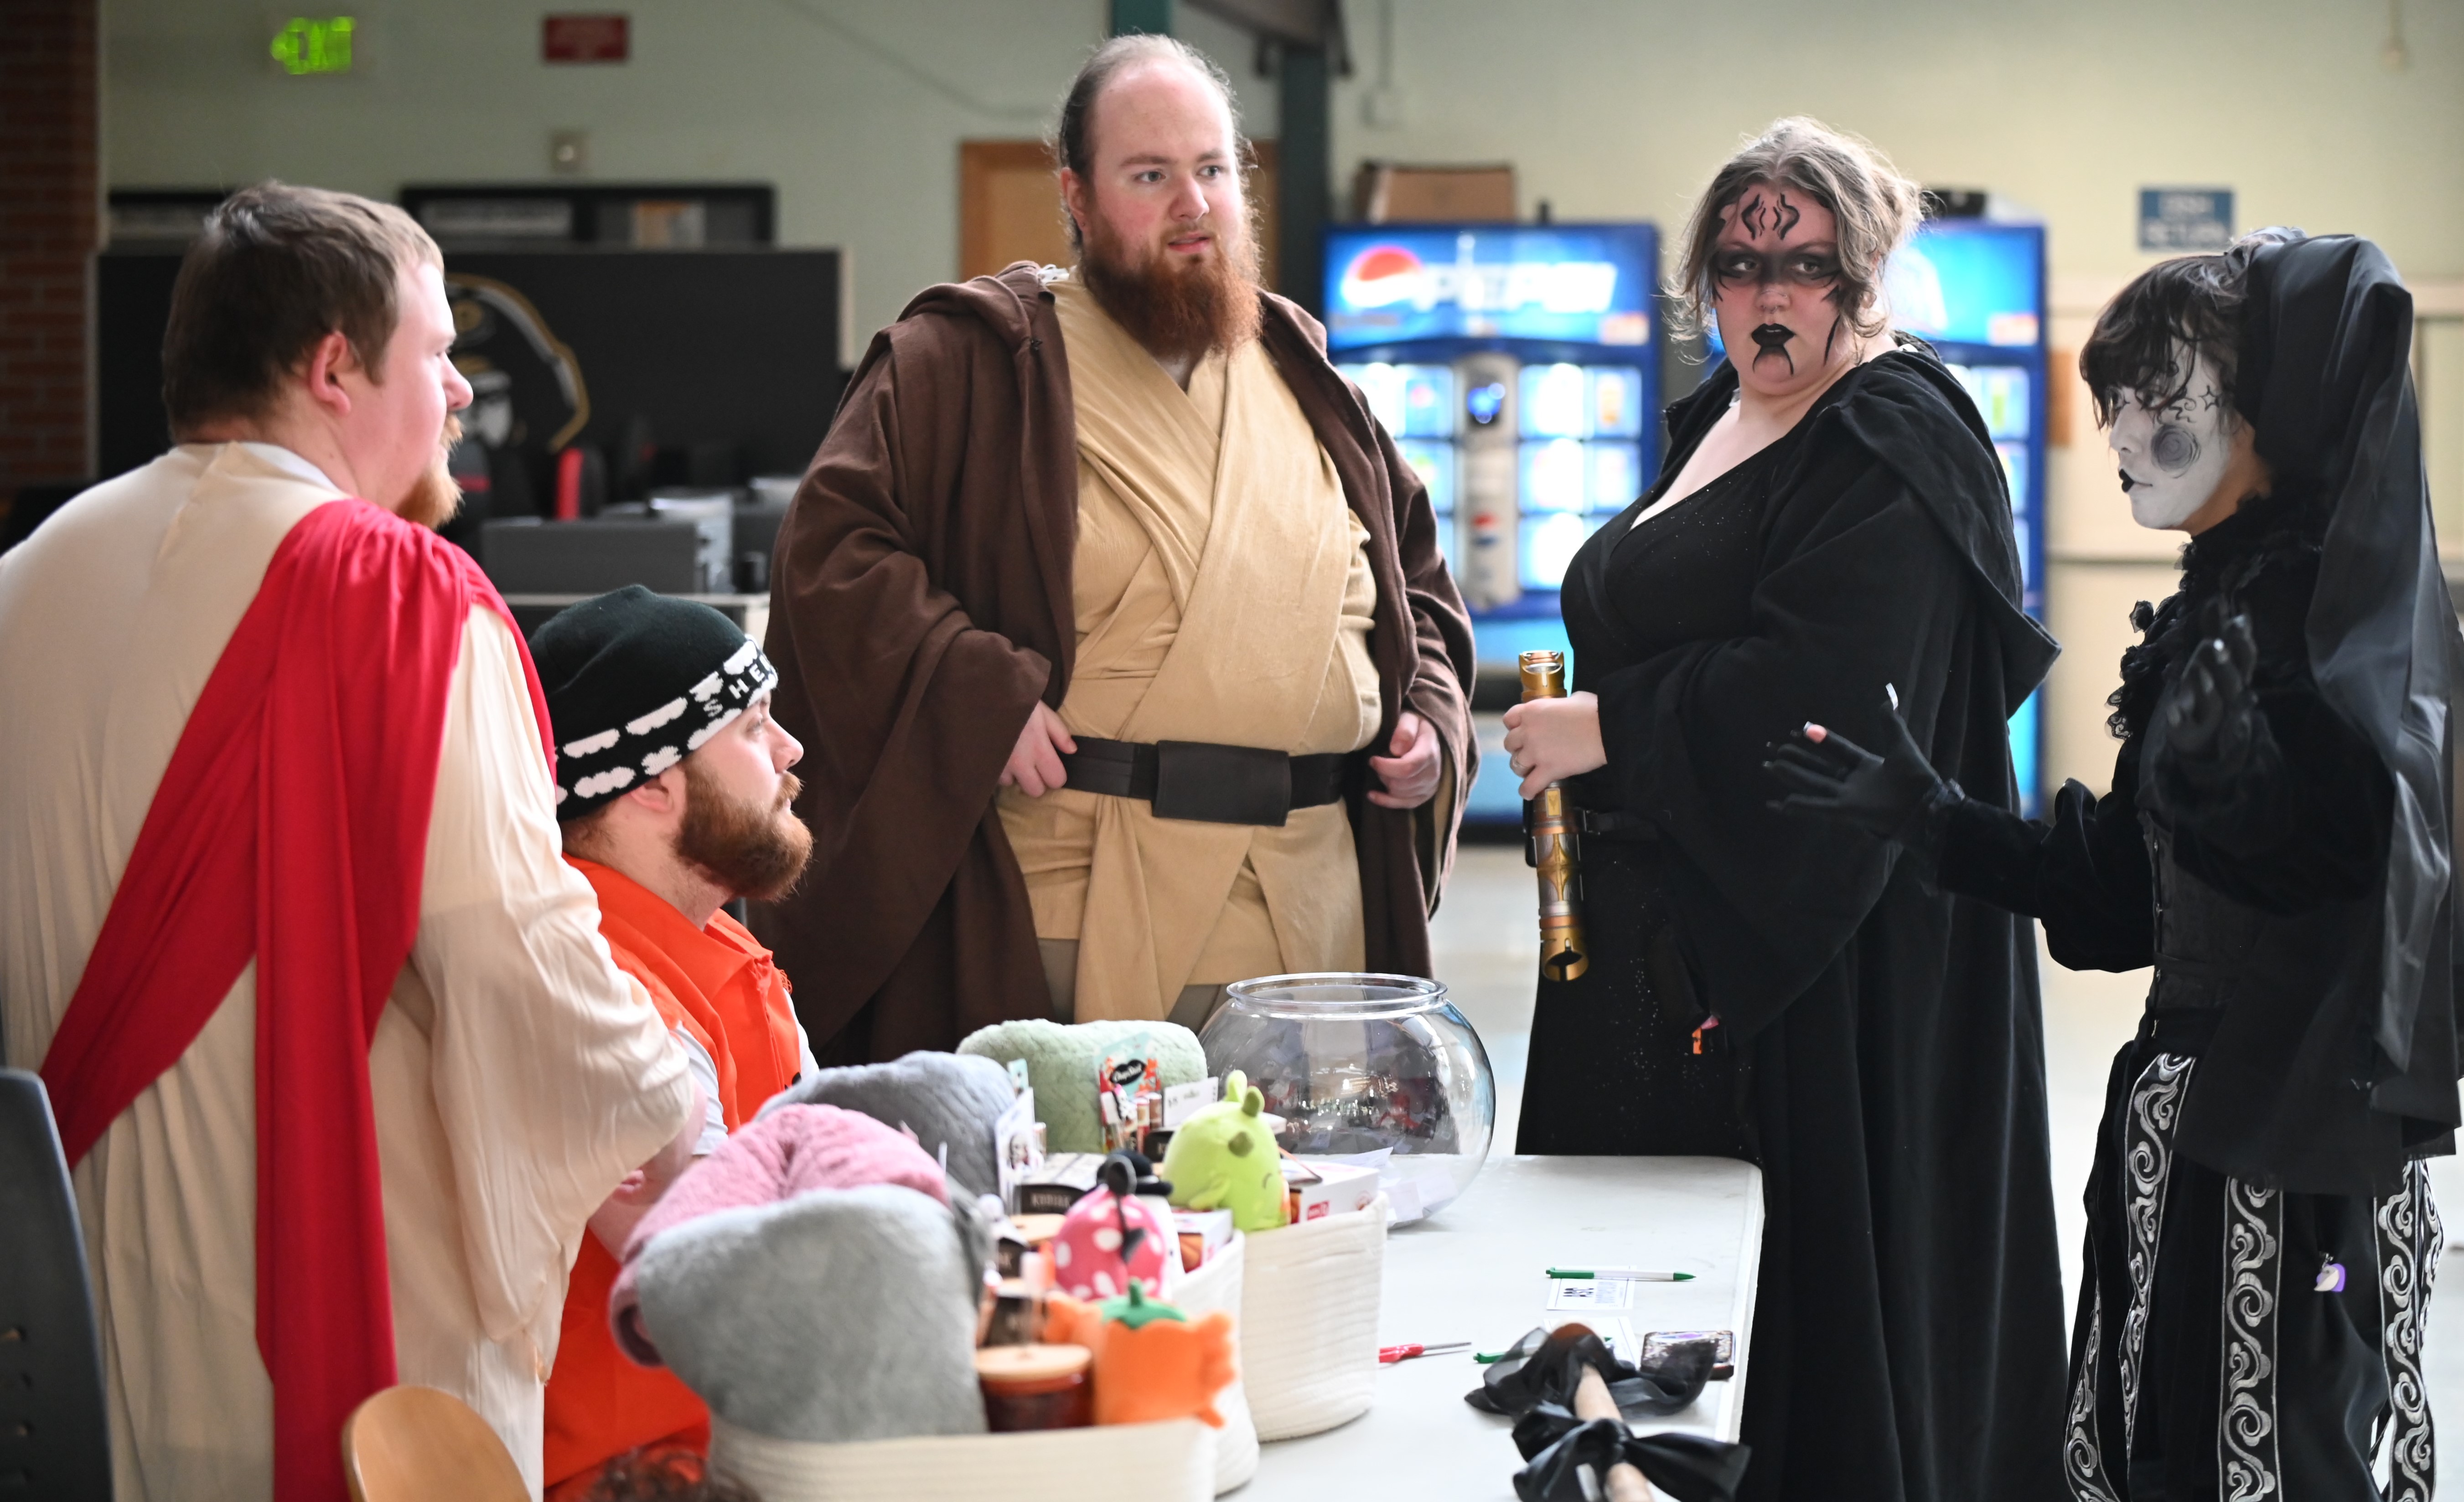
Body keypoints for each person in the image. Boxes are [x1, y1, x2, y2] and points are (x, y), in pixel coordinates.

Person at [1767, 229, 2464, 1501]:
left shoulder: (2328, 635)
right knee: (2164, 1440)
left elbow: (2340, 869)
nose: (2113, 429)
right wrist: (1931, 816)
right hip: (2193, 1146)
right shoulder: (2214, 616)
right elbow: (2121, 900)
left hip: (2293, 1172)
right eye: (2107, 396)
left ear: (2259, 414)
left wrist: (2242, 785)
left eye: (2151, 395)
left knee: (2273, 1447)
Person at [0, 182, 698, 1498]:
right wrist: (694, 1142)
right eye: (439, 357)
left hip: (51, 1351)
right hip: (324, 1354)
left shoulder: (21, 583)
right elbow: (520, 953)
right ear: (334, 367)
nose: (458, 399)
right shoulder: (400, 598)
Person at [1500, 118, 2067, 1501]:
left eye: (1803, 263)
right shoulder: (1726, 415)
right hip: (1676, 921)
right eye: (1740, 260)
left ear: (1859, 274)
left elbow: (1827, 701)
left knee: (1809, 1309)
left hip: (1826, 953)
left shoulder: (1887, 432)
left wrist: (1604, 727)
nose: (1768, 292)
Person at [761, 33, 1473, 1055]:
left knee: (1303, 1204)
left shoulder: (1307, 379)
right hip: (1078, 903)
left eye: (1214, 171)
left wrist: (1428, 724)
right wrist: (967, 682)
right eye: (1150, 175)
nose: (1194, 205)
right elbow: (829, 560)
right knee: (1093, 1210)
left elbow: (1419, 596)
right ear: (1077, 197)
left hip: (1314, 910)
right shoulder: (970, 361)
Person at [529, 586, 818, 1498]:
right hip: (638, 1479)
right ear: (652, 782)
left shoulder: (717, 944)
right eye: (752, 724)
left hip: (745, 1449)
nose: (790, 752)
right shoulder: (595, 988)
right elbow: (729, 1281)